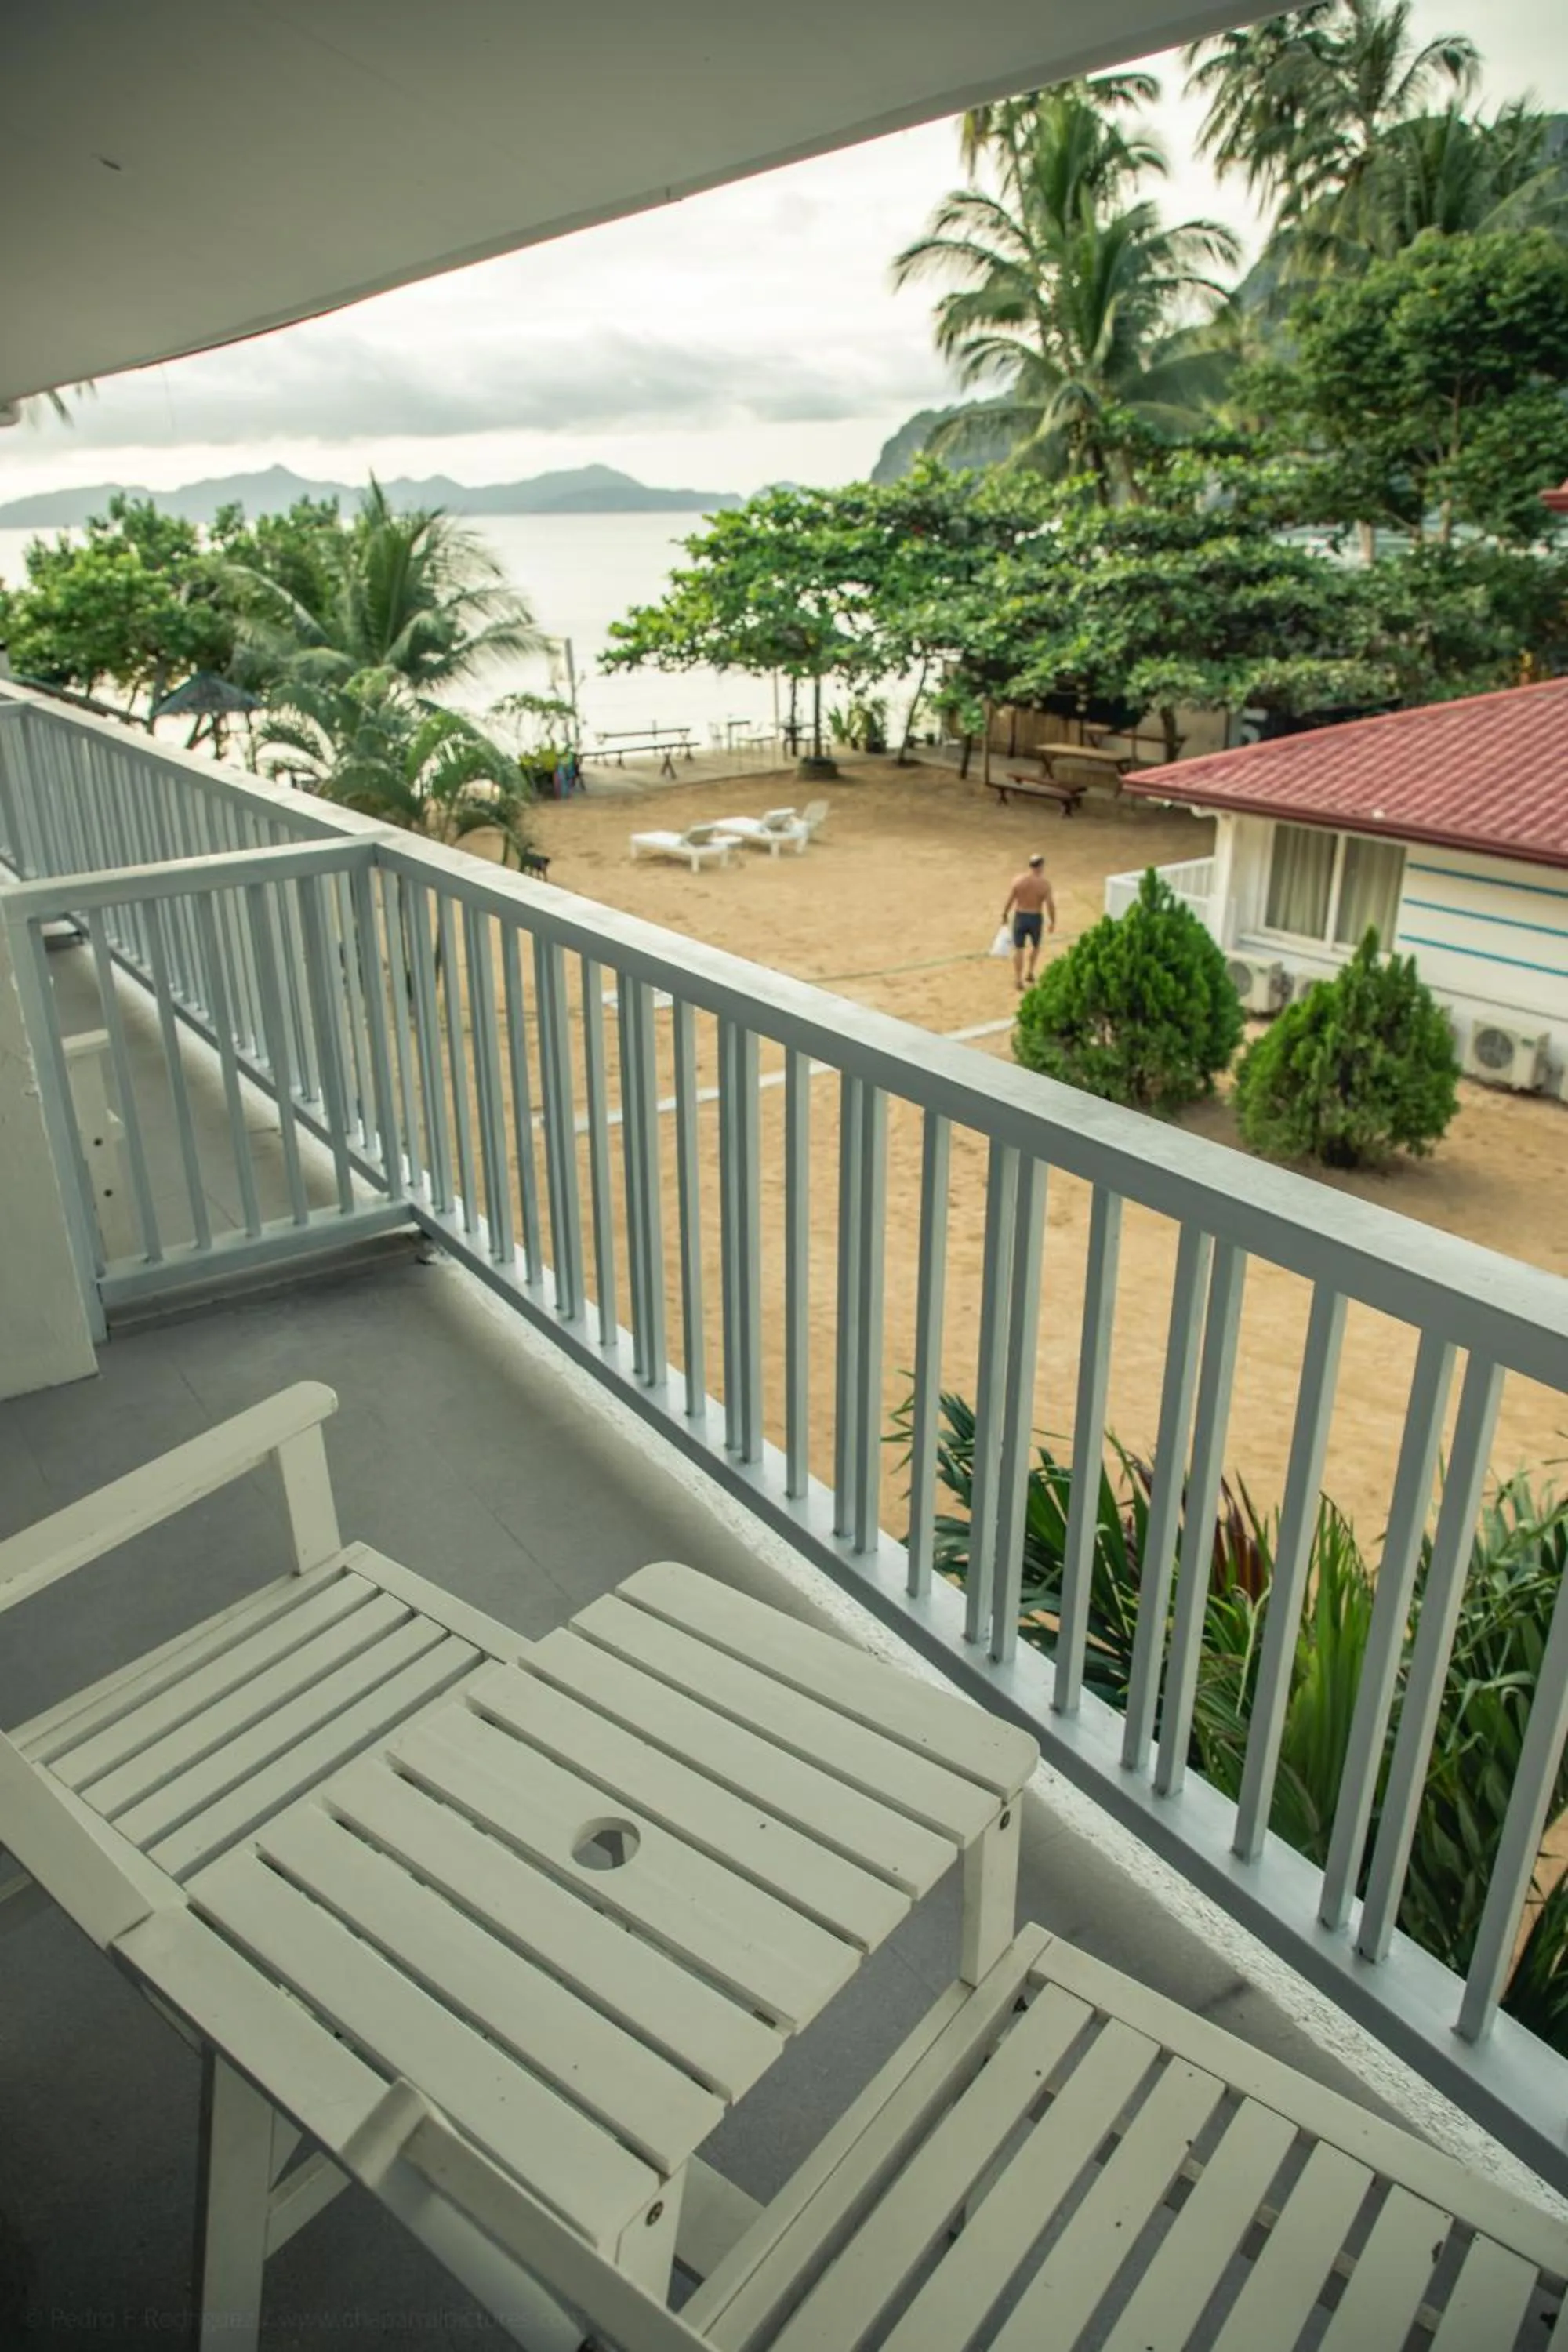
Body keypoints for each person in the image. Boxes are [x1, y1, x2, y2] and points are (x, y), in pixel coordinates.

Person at [1002, 853, 1056, 990]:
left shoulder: (1018, 880)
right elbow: (1050, 905)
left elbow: (1011, 899)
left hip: (1020, 915)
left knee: (1019, 949)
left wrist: (1005, 913)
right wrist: (1053, 921)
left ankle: (1018, 979)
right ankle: (1030, 972)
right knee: (1036, 946)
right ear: (1041, 867)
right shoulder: (1044, 884)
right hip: (1035, 917)